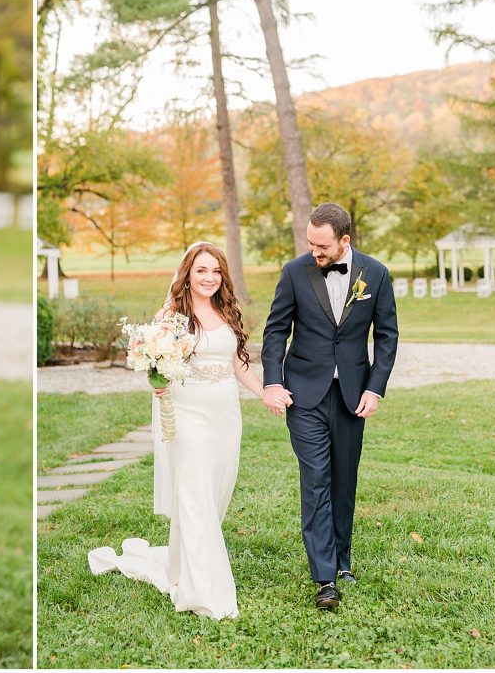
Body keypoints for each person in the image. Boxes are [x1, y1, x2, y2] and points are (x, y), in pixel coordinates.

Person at [88, 242, 286, 619]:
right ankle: (204, 591)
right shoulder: (172, 315)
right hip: (187, 414)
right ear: (188, 274)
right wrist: (156, 379)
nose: (209, 278)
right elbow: (153, 360)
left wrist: (266, 393)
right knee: (194, 496)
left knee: (213, 495)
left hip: (225, 417)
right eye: (201, 271)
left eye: (215, 271)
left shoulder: (228, 310)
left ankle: (180, 566)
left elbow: (239, 364)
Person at [261, 202, 398, 610]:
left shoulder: (375, 273)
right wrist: (272, 381)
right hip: (304, 394)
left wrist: (375, 389)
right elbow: (275, 331)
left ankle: (342, 560)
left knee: (344, 478)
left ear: (345, 240)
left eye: (322, 246)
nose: (314, 252)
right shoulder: (294, 271)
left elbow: (387, 336)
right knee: (316, 478)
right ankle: (325, 578)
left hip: (352, 395)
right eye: (309, 243)